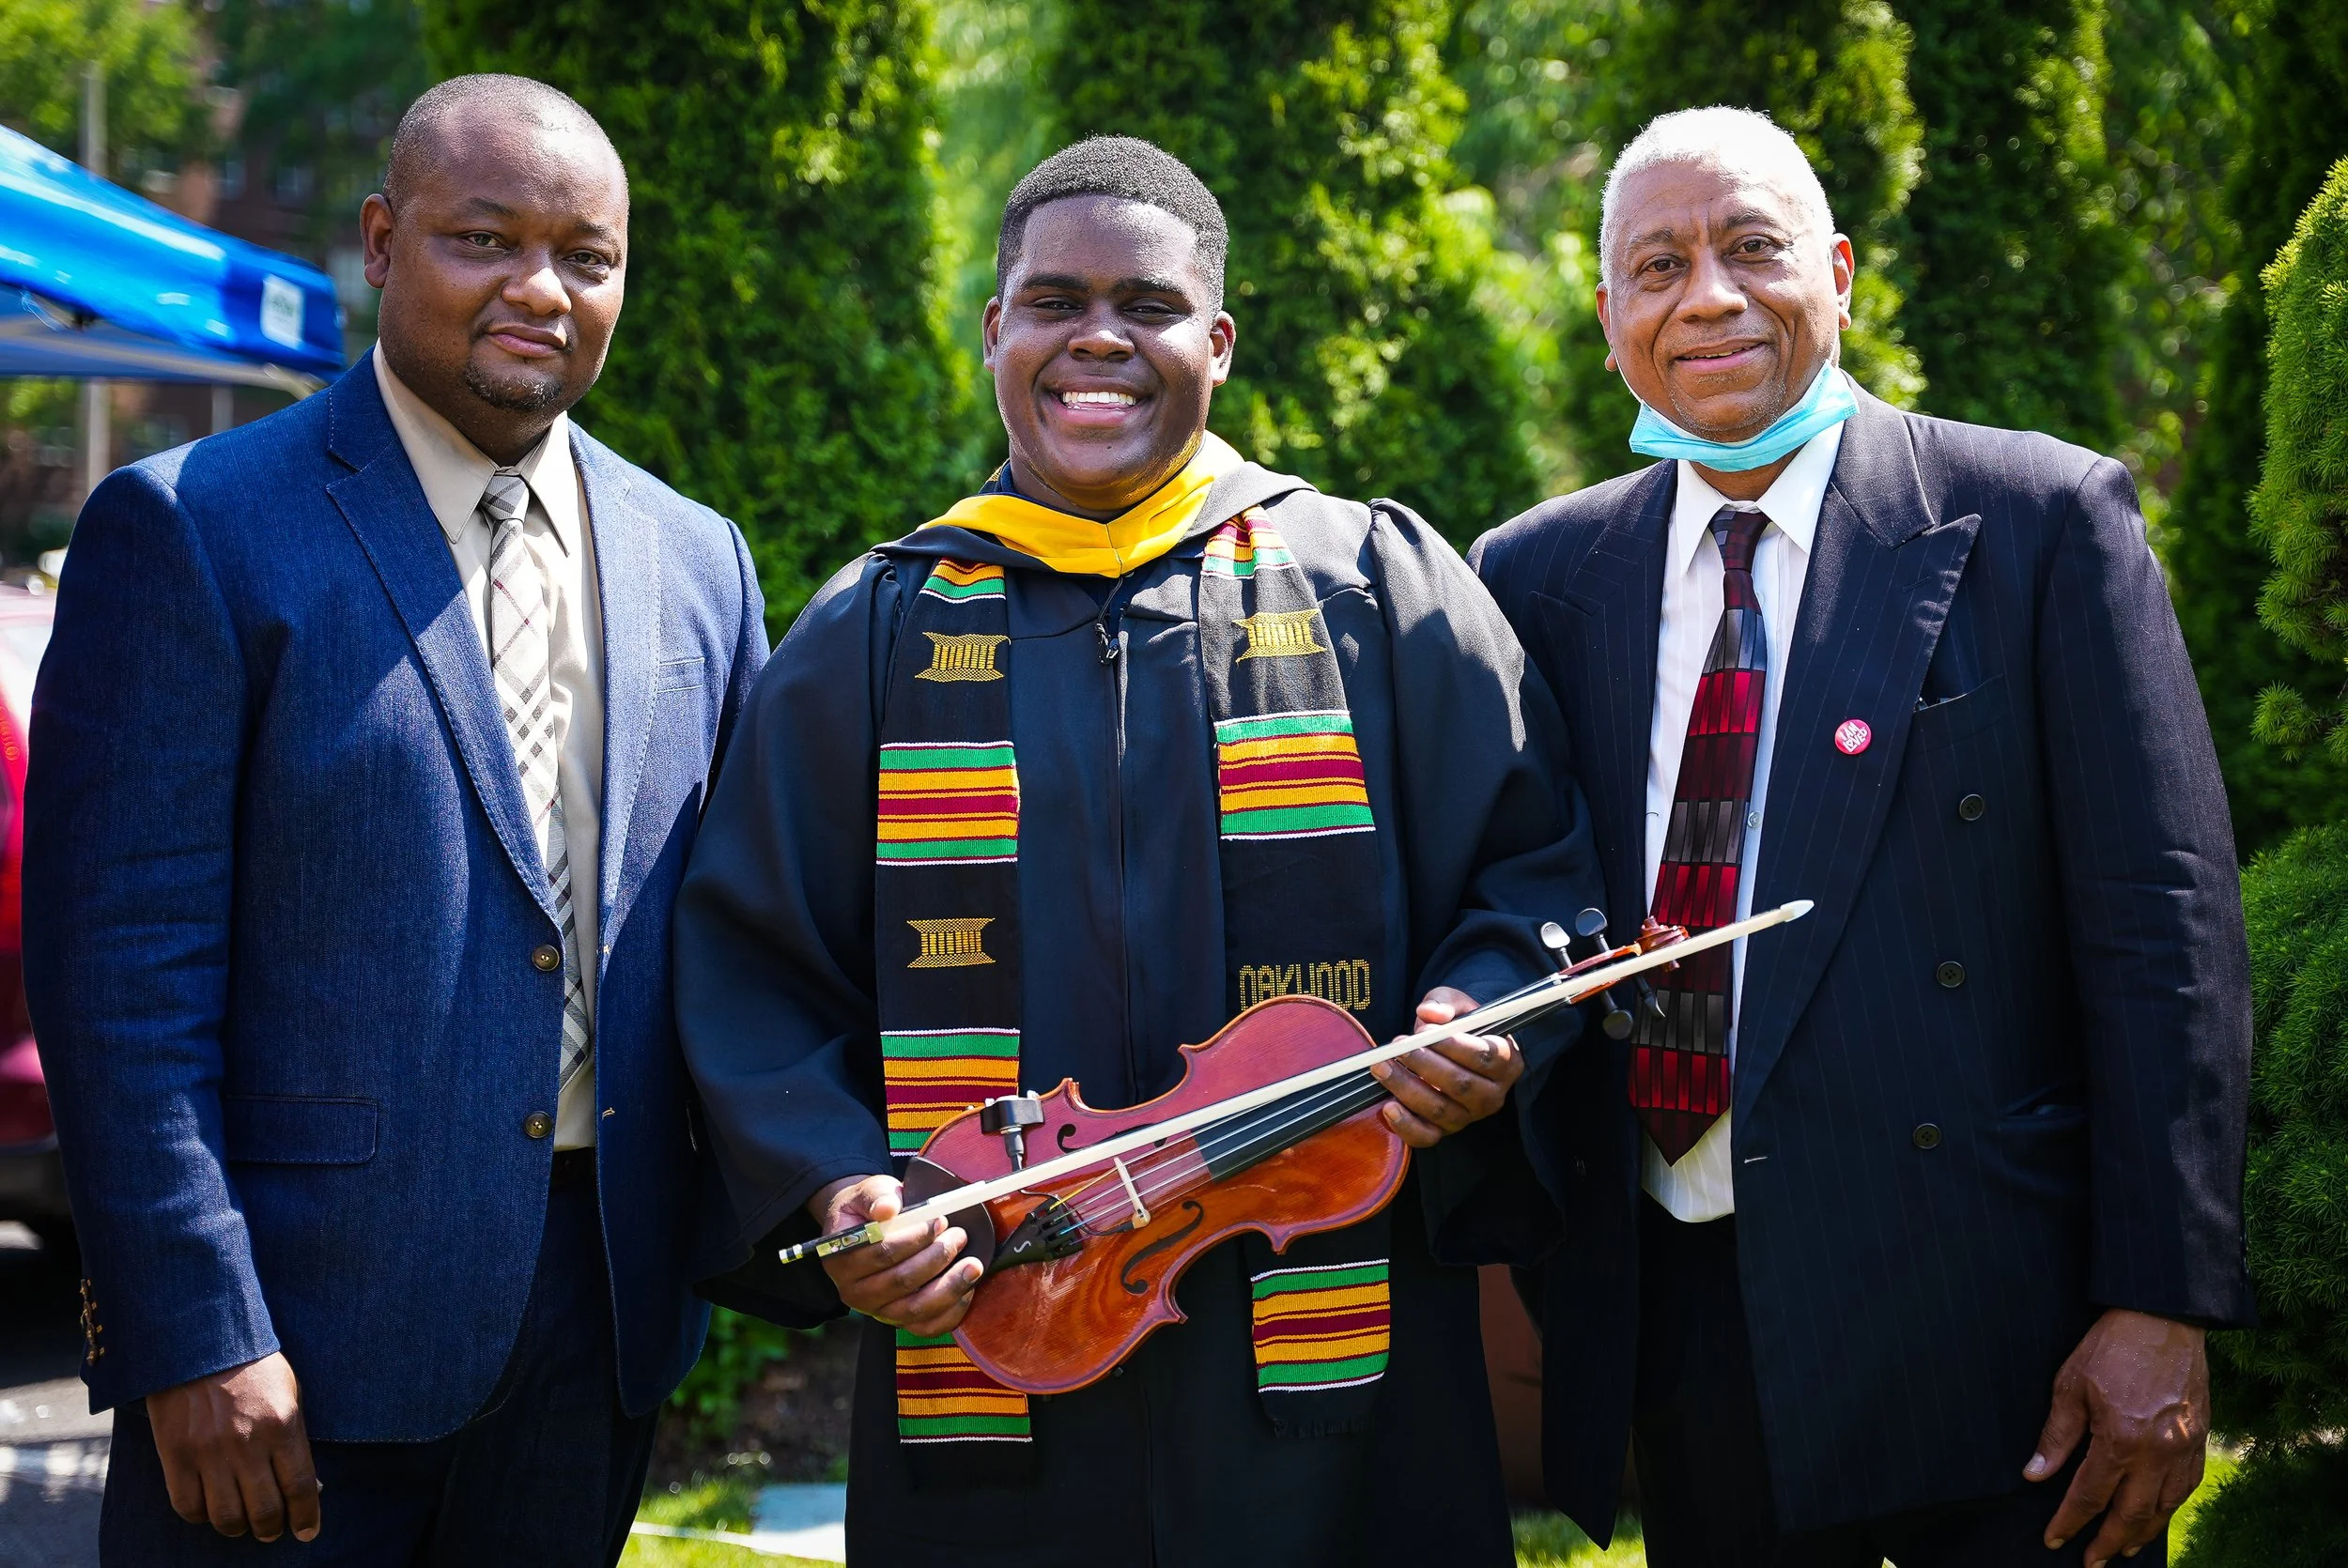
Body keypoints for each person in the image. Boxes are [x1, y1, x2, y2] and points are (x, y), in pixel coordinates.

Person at [673, 134, 1601, 1568]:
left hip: (1326, 1348)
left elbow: (1530, 871)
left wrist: (1477, 1021)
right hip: (994, 1332)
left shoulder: (1372, 583)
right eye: (1053, 301)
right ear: (996, 330)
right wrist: (841, 1183)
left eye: (1147, 306)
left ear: (1217, 341)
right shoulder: (878, 629)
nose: (1097, 337)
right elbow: (750, 961)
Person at [1472, 106, 2254, 1568]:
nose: (1705, 296)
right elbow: (1515, 898)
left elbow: (2166, 931)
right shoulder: (1537, 574)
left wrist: (2163, 1303)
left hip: (1999, 1327)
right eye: (1657, 266)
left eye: (1751, 248)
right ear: (1607, 319)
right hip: (1690, 1319)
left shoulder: (2034, 519)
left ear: (1839, 273)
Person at [24, 74, 766, 1562]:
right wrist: (192, 1333)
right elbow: (119, 980)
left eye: (589, 256)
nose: (541, 289)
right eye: (485, 239)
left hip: (593, 1332)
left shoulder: (699, 560)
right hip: (288, 1348)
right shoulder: (196, 529)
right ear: (379, 241)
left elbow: (745, 937)